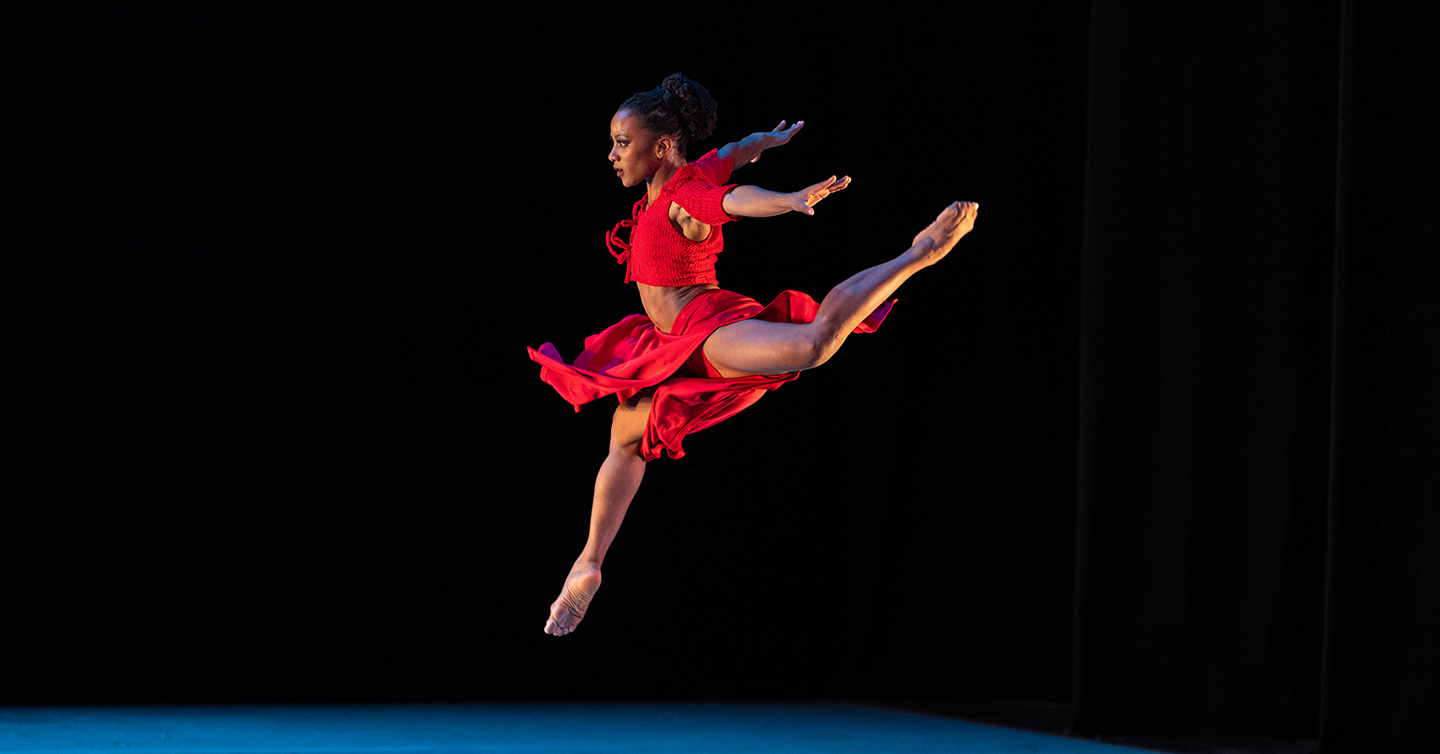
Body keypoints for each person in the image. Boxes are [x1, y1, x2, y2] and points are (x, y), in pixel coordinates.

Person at [529, 73, 978, 636]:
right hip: (668, 338)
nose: (613, 155)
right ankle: (588, 564)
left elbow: (730, 199)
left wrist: (788, 200)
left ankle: (920, 253)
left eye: (622, 143)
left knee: (814, 344)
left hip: (706, 325)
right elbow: (732, 158)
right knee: (625, 439)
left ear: (661, 147)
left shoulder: (685, 193)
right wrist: (765, 141)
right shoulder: (677, 179)